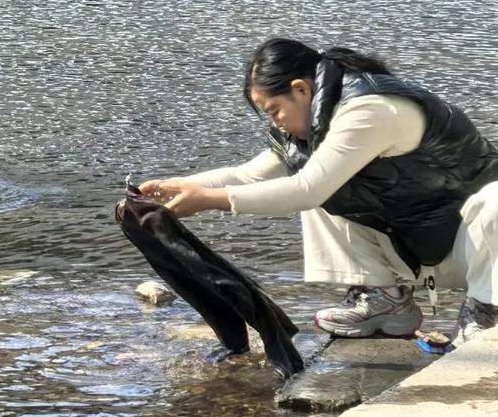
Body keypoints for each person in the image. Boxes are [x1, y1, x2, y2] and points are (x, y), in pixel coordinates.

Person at [140, 37, 498, 347]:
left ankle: (486, 316)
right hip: (425, 242)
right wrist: (180, 187)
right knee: (311, 182)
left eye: (274, 110)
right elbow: (249, 176)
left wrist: (208, 201)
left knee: (494, 200)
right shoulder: (313, 126)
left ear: (300, 88)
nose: (274, 121)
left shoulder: (371, 109)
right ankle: (384, 301)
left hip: (476, 248)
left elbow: (306, 190)